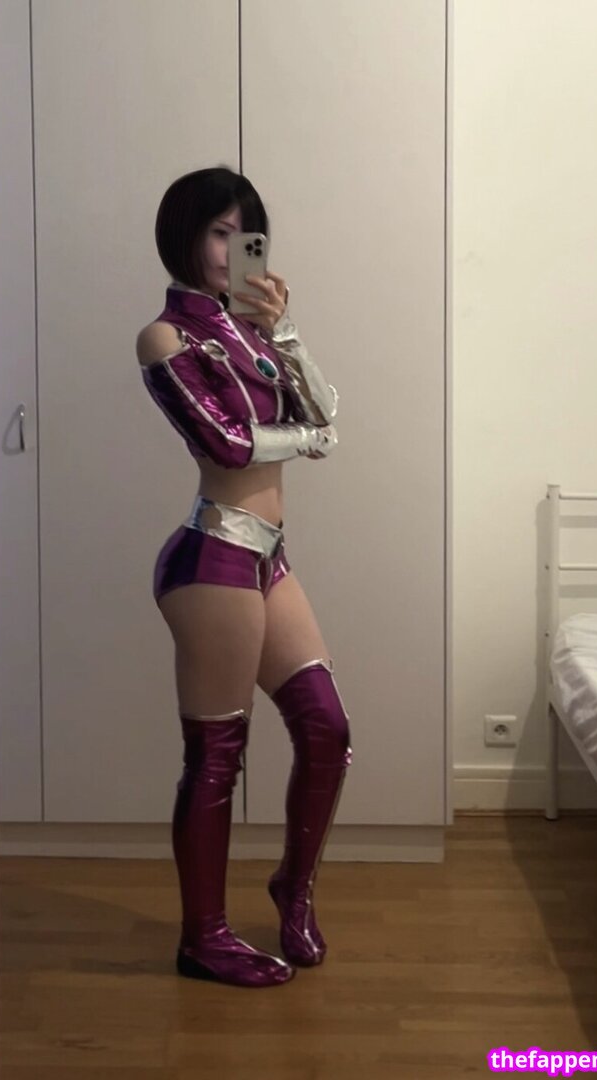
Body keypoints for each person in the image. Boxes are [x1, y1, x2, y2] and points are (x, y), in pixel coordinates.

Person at [135, 167, 353, 989]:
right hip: (214, 558)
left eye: (244, 234)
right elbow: (226, 445)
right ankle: (203, 937)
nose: (232, 250)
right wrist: (307, 441)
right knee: (217, 756)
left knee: (327, 728)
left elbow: (323, 412)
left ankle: (292, 891)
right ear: (185, 236)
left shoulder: (251, 333)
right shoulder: (166, 337)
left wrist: (285, 331)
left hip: (267, 555)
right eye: (218, 232)